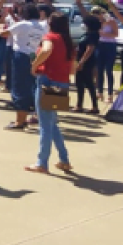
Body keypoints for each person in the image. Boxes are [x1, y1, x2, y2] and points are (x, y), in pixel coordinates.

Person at [26, 13, 74, 174]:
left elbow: (46, 50)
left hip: (48, 80)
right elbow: (73, 68)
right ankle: (64, 159)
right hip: (62, 81)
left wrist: (35, 64)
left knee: (45, 124)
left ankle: (42, 162)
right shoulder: (68, 42)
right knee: (52, 123)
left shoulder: (50, 37)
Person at [0, 3, 45, 130]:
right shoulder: (41, 26)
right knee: (32, 86)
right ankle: (32, 114)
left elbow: (4, 33)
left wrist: (0, 27)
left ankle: (20, 121)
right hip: (35, 55)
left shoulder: (23, 24)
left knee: (19, 87)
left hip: (21, 55)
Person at [72, 16, 101, 114]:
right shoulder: (86, 33)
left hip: (87, 62)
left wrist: (82, 62)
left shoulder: (93, 35)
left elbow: (90, 49)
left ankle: (95, 106)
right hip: (81, 60)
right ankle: (79, 104)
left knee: (89, 83)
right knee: (79, 83)